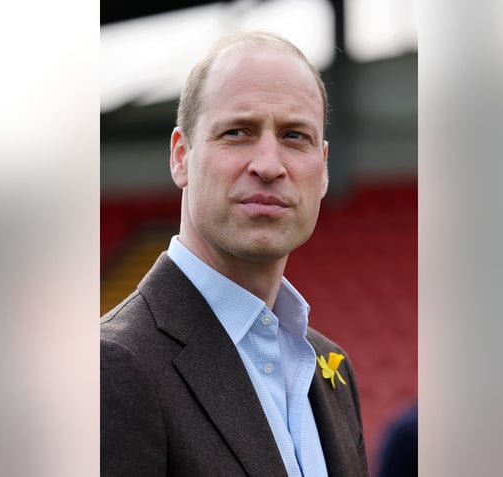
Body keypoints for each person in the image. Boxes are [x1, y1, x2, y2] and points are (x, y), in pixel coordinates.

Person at [101, 31, 369, 476]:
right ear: (181, 156)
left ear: (322, 168)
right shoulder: (113, 367)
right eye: (238, 132)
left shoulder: (330, 370)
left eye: (294, 135)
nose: (268, 164)